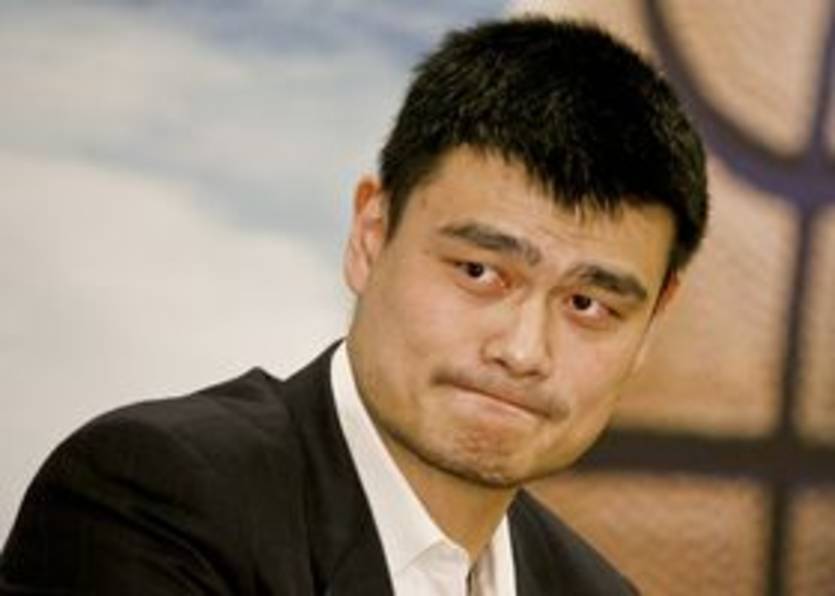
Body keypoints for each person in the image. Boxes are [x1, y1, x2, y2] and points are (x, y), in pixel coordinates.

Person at [0, 15, 708, 596]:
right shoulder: (155, 498)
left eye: (587, 304)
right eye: (479, 271)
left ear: (653, 322)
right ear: (371, 235)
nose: (523, 351)